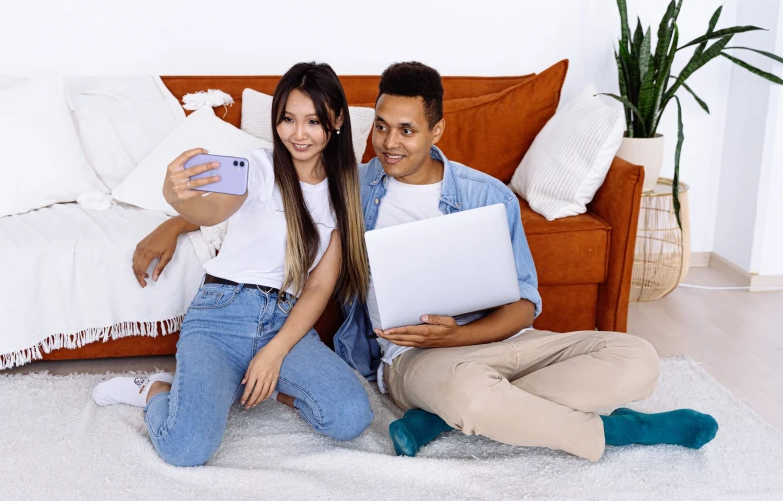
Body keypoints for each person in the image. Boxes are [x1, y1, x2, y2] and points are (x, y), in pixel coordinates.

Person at [134, 62, 718, 463]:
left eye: (407, 130)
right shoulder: (354, 189)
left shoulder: (488, 195)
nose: (389, 142)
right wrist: (175, 213)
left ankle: (446, 418)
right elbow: (255, 199)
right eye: (382, 126)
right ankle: (613, 431)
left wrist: (465, 334)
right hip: (413, 356)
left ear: (437, 129)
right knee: (474, 397)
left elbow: (524, 305)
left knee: (635, 357)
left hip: (489, 342)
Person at [93, 62, 374, 467]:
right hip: (221, 316)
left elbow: (317, 288)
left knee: (352, 416)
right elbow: (213, 211)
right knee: (185, 449)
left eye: (313, 121)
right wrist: (178, 200)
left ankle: (262, 386)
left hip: (284, 321)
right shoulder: (258, 168)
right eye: (288, 120)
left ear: (337, 120)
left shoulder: (343, 193)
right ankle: (156, 390)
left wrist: (274, 352)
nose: (299, 134)